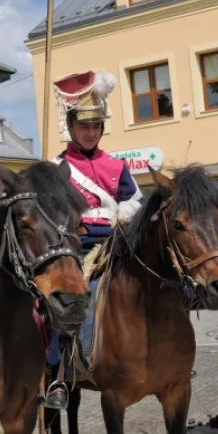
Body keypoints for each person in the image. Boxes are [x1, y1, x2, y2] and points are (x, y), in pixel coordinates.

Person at [44, 71, 144, 410]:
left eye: (95, 126)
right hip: (79, 248)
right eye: (83, 126)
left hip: (118, 244)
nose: (90, 132)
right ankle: (57, 372)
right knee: (64, 302)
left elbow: (137, 202)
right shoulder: (58, 167)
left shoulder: (117, 166)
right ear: (70, 126)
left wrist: (126, 212)